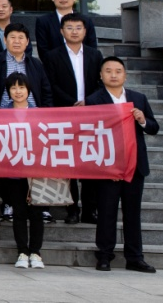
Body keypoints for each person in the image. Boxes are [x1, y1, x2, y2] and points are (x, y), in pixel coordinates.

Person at [88, 56, 158, 273]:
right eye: (108, 71)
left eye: (118, 71)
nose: (113, 75)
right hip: (108, 166)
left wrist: (142, 120)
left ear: (125, 75)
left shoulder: (138, 98)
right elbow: (90, 134)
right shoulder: (94, 100)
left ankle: (135, 258)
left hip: (135, 165)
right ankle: (104, 255)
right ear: (101, 75)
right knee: (106, 212)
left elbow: (154, 127)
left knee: (133, 214)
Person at [45, 12, 106, 224]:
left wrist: (88, 101)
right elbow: (51, 85)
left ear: (85, 31)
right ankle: (72, 209)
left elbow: (101, 83)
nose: (74, 32)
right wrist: (72, 102)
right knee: (68, 163)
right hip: (64, 114)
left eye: (78, 28)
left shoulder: (95, 55)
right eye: (69, 28)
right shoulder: (52, 56)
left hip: (90, 114)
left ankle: (90, 209)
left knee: (89, 162)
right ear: (62, 31)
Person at [0, 72, 46, 269]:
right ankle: (22, 252)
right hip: (14, 171)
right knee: (18, 213)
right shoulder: (2, 114)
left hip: (36, 172)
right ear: (8, 91)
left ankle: (35, 252)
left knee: (36, 213)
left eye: (21, 87)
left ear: (28, 90)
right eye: (13, 88)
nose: (18, 91)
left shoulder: (39, 113)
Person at [0, 22, 53, 110]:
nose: (17, 41)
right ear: (5, 40)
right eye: (12, 37)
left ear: (27, 41)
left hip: (33, 113)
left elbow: (46, 92)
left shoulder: (36, 64)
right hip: (2, 114)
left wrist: (44, 112)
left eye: (21, 38)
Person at [35, 0, 100, 62]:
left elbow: (92, 49)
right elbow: (43, 52)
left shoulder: (86, 21)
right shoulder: (43, 21)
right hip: (54, 67)